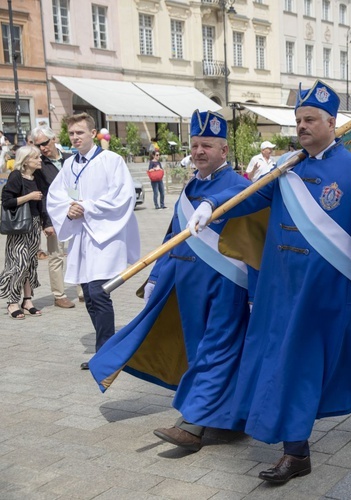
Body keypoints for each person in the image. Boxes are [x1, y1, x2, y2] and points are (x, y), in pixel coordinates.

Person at [188, 80, 351, 485]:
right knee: (291, 365)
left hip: (332, 288)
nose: (302, 126)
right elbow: (249, 196)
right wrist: (210, 205)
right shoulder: (288, 166)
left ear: (332, 122)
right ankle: (296, 453)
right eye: (298, 120)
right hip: (285, 289)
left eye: (310, 119)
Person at [90, 110, 252, 452]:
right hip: (187, 286)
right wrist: (156, 274)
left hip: (225, 285)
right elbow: (173, 235)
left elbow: (254, 238)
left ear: (224, 151)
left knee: (216, 351)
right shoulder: (193, 184)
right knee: (199, 352)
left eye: (206, 145)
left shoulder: (239, 185)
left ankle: (191, 425)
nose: (198, 152)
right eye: (194, 145)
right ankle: (228, 420)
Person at [46, 113, 140, 370]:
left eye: (80, 133)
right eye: (72, 134)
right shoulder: (70, 165)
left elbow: (122, 195)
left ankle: (106, 353)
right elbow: (56, 195)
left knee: (99, 292)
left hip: (105, 236)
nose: (75, 138)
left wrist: (86, 206)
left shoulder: (111, 161)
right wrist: (68, 208)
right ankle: (105, 349)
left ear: (93, 133)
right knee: (88, 294)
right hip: (82, 237)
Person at [0, 146, 53, 319]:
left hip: (34, 225)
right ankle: (12, 302)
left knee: (30, 264)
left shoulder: (36, 177)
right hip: (19, 227)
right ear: (26, 161)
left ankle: (27, 301)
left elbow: (41, 203)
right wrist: (29, 197)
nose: (40, 160)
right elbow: (6, 201)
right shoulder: (16, 176)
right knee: (19, 264)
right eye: (36, 157)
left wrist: (45, 224)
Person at [29, 125, 78, 309]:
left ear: (54, 139)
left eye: (44, 143)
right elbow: (41, 194)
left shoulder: (70, 159)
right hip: (54, 217)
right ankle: (59, 295)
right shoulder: (39, 165)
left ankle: (82, 290)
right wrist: (46, 222)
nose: (42, 148)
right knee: (56, 256)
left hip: (76, 212)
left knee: (78, 251)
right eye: (37, 145)